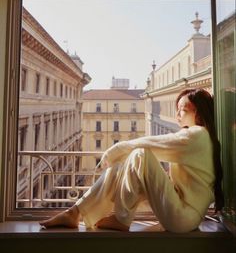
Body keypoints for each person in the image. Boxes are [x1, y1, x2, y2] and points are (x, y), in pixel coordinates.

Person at [40, 88, 224, 233]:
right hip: (182, 213)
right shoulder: (201, 137)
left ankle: (121, 218)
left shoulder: (197, 135)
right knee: (119, 166)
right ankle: (74, 213)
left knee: (140, 154)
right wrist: (118, 160)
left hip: (183, 217)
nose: (178, 115)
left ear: (199, 113)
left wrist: (117, 149)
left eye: (182, 110)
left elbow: (151, 144)